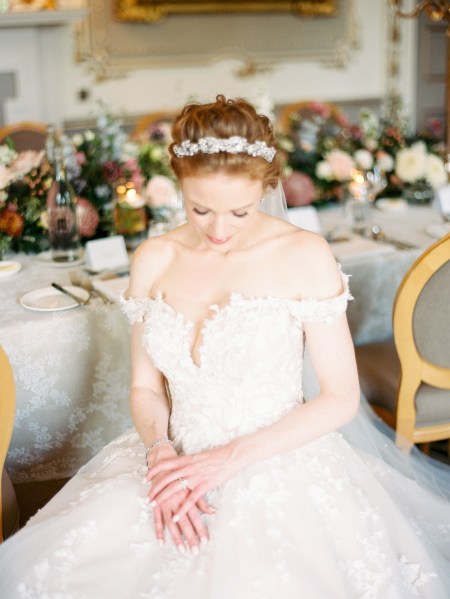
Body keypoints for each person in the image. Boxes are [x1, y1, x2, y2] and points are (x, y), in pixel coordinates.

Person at [0, 95, 449, 598]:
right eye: (200, 209)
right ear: (179, 186)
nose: (218, 230)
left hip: (280, 458)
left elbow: (340, 398)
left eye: (238, 210)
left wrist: (223, 462)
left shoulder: (304, 255)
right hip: (169, 456)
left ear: (265, 185)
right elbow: (146, 389)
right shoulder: (153, 258)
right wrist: (161, 457)